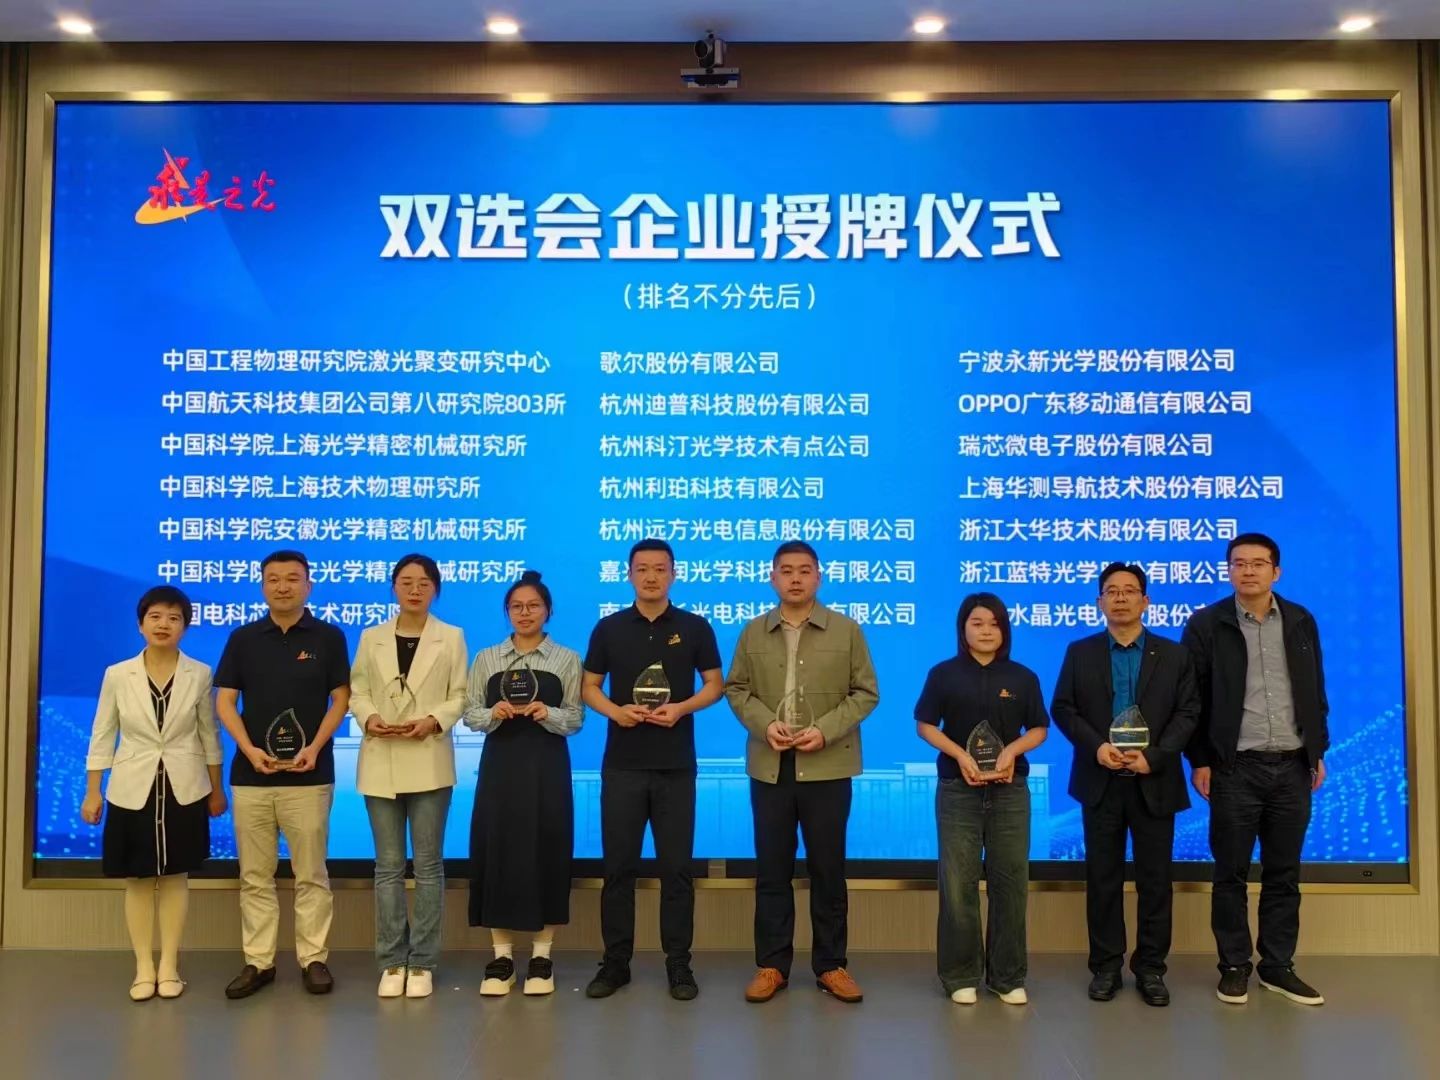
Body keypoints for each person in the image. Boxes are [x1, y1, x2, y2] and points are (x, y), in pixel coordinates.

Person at [725, 541, 879, 1005]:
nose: (795, 578)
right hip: (771, 767)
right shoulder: (754, 631)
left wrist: (824, 730)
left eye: (805, 570)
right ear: (772, 577)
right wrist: (764, 724)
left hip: (827, 766)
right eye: (787, 570)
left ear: (819, 577)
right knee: (772, 869)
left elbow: (866, 693)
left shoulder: (846, 629)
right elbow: (736, 688)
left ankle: (831, 966)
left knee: (828, 870)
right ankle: (772, 965)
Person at [1183, 532, 1329, 1007]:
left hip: (1292, 765)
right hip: (1234, 768)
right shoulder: (1207, 624)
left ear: (1275, 571)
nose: (1248, 571)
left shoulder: (1301, 620)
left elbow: (1315, 690)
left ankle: (1277, 966)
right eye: (1238, 563)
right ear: (1228, 571)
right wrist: (1200, 759)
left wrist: (1317, 750)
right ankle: (1234, 966)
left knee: (1284, 873)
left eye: (1258, 563)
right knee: (1231, 873)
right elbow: (1192, 701)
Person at [1050, 562, 1199, 1007]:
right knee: (1103, 879)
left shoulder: (1174, 655)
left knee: (1156, 881)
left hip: (1155, 780)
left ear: (1145, 601)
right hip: (1100, 779)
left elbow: (1188, 712)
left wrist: (1155, 756)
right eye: (1111, 591)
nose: (1120, 598)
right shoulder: (1080, 652)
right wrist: (1096, 747)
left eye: (1129, 590)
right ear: (1099, 601)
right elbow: (1063, 708)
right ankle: (1106, 967)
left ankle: (1151, 968)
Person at [582, 539, 724, 1001]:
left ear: (673, 574)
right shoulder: (609, 628)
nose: (650, 576)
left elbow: (715, 685)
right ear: (628, 575)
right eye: (642, 568)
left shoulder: (694, 627)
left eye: (660, 569)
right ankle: (615, 963)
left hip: (675, 766)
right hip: (622, 766)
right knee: (618, 869)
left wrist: (681, 708)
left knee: (676, 870)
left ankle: (678, 964)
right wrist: (615, 712)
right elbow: (589, 686)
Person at [214, 549, 351, 999]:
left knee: (311, 873)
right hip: (252, 776)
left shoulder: (329, 637)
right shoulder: (243, 638)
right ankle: (259, 962)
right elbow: (224, 702)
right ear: (262, 586)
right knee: (255, 876)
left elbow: (341, 700)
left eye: (293, 578)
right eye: (273, 579)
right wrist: (249, 749)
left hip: (310, 776)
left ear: (308, 585)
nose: (283, 586)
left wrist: (315, 747)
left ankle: (314, 959)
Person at [81, 585, 226, 1001]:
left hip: (185, 787)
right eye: (156, 617)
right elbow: (103, 733)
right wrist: (93, 791)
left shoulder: (200, 674)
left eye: (174, 618)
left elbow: (209, 735)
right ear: (141, 624)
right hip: (132, 787)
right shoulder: (117, 674)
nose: (164, 625)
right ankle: (143, 966)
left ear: (185, 627)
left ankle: (169, 966)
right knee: (139, 878)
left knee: (176, 876)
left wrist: (216, 789)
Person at [913, 592, 1048, 1006]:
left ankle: (1007, 977)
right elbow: (925, 725)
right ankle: (960, 975)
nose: (986, 631)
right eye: (977, 623)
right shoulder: (943, 674)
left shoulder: (1023, 677)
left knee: (1011, 883)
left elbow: (1039, 729)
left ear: (1004, 630)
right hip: (958, 790)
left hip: (1010, 792)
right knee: (958, 885)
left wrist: (1012, 752)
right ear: (963, 628)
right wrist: (959, 754)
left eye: (994, 623)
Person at [349, 554, 469, 999]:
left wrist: (433, 721)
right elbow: (357, 690)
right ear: (394, 587)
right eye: (406, 581)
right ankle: (391, 960)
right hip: (380, 757)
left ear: (436, 588)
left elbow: (460, 695)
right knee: (387, 866)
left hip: (428, 758)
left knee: (429, 864)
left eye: (423, 582)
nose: (414, 589)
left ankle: (422, 961)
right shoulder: (372, 636)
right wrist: (370, 717)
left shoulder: (451, 636)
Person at [464, 570, 584, 997]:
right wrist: (492, 713)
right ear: (507, 612)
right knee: (497, 850)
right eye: (516, 606)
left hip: (547, 767)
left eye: (533, 606)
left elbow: (576, 718)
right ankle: (501, 959)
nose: (525, 613)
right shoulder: (486, 658)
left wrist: (547, 713)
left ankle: (541, 958)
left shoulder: (567, 658)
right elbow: (469, 713)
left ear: (548, 611)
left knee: (547, 849)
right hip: (500, 767)